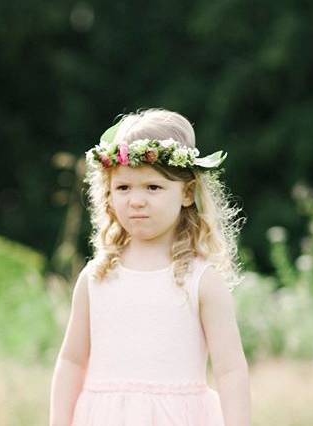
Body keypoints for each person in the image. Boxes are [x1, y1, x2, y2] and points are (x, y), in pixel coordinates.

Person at [49, 108, 251, 425]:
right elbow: (72, 361)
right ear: (108, 194)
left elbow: (230, 370)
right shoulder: (97, 277)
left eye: (153, 187)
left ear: (186, 193)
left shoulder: (202, 281)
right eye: (123, 188)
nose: (136, 200)